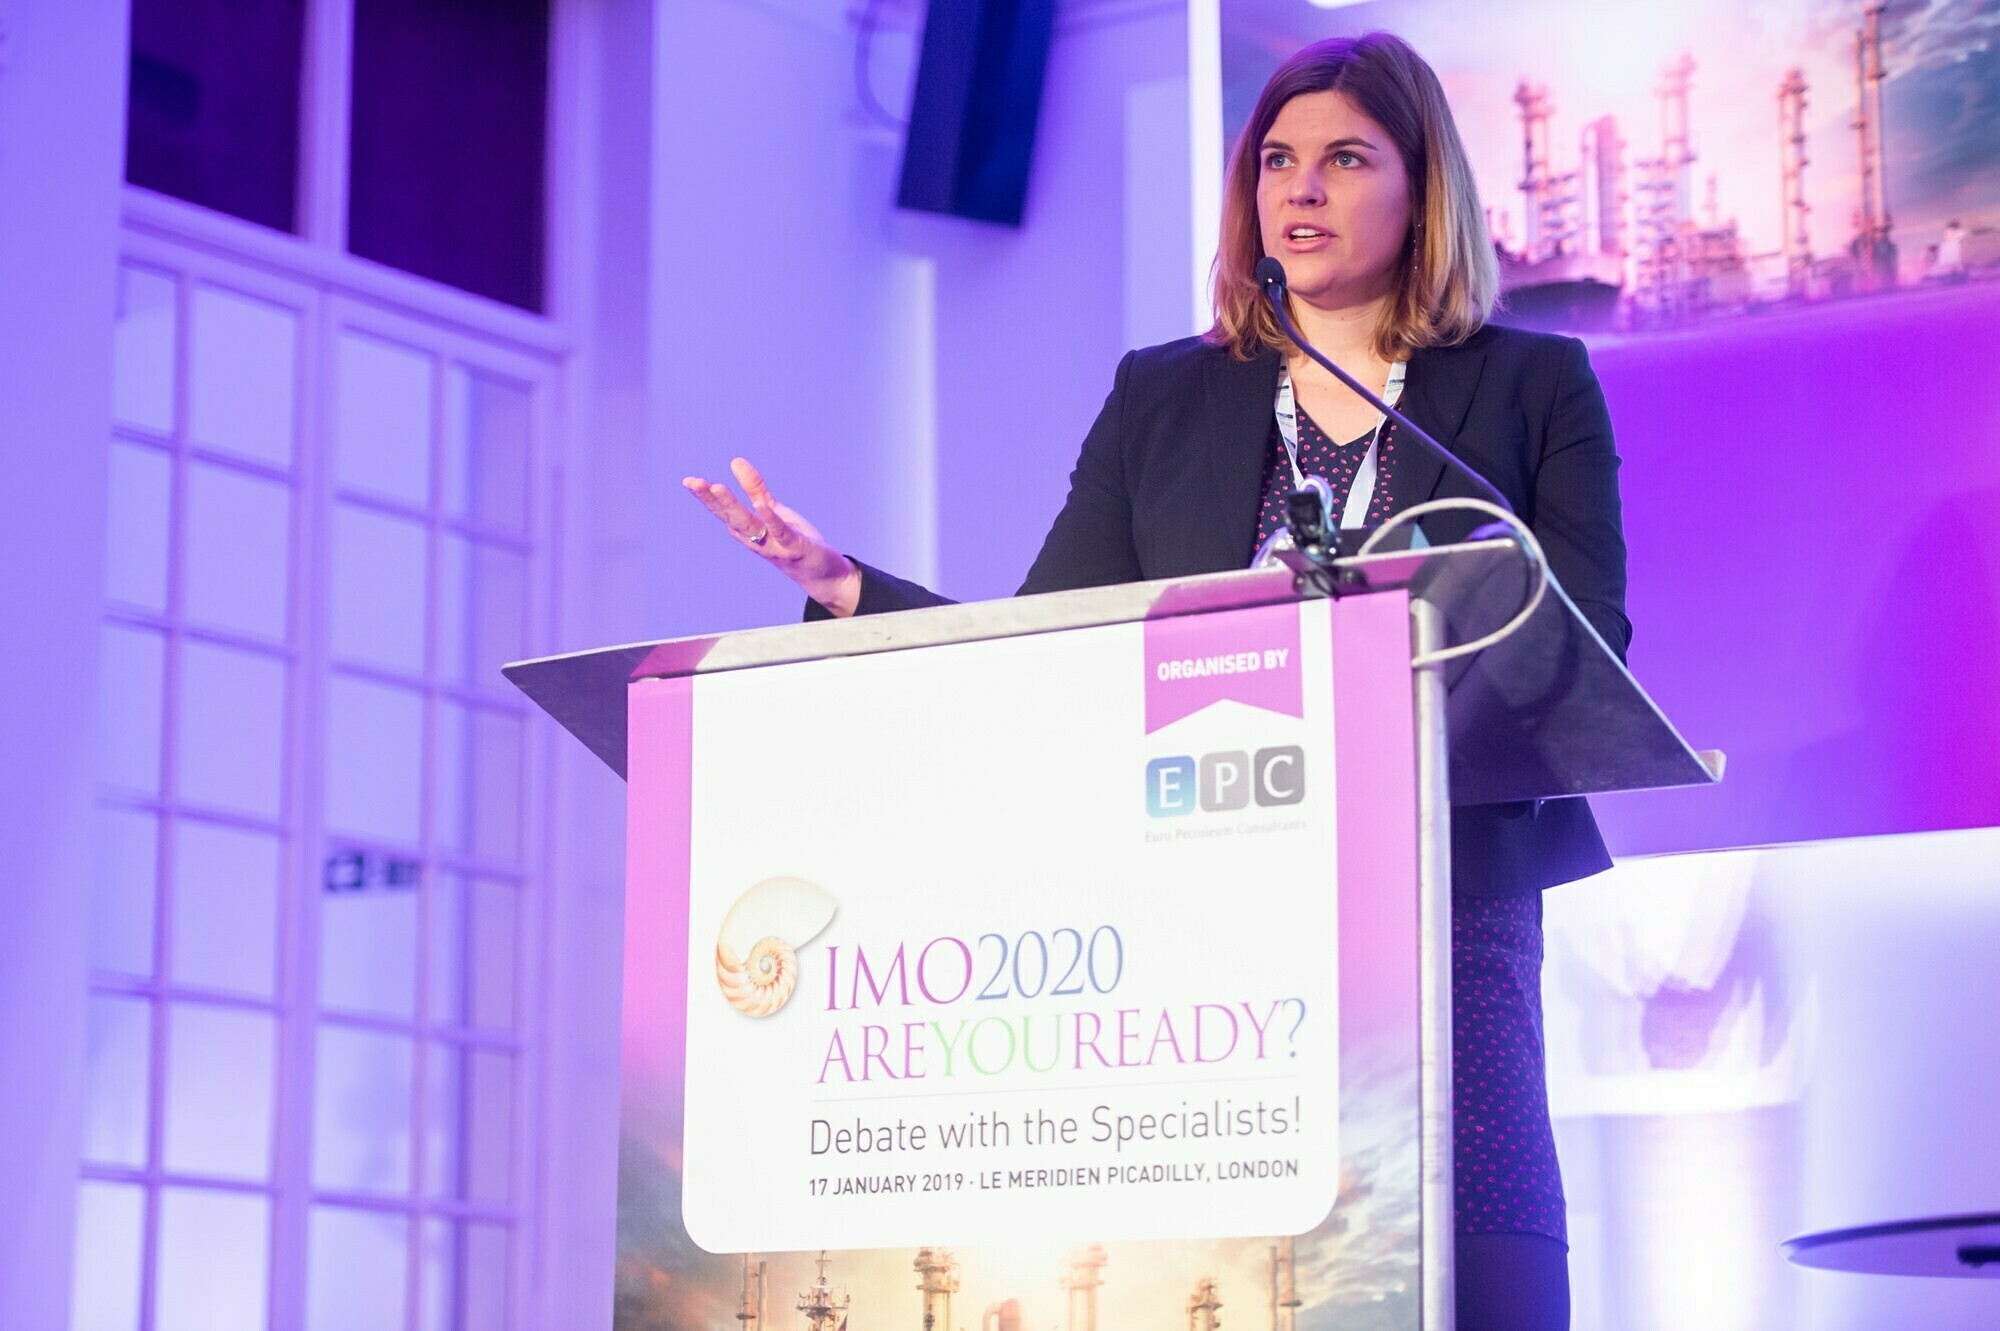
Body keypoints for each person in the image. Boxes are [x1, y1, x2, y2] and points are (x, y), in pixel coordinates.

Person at [686, 32, 1624, 1331]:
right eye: (1277, 161)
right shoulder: (1165, 398)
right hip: (1210, 907)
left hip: (1444, 901)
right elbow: (1041, 654)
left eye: (1345, 158)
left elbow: (1586, 642)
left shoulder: (1529, 386)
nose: (1299, 188)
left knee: (1477, 1268)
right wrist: (847, 584)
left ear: (1422, 187)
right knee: (1262, 1278)